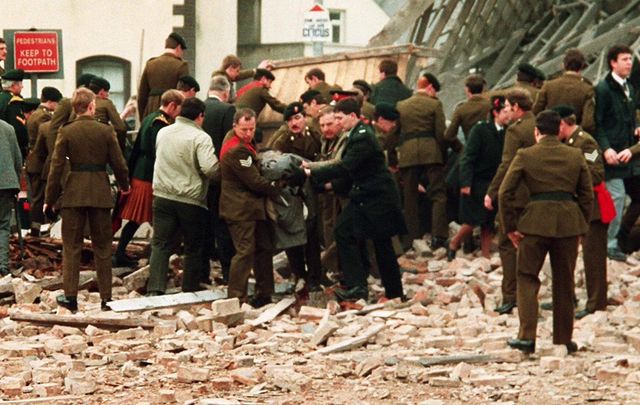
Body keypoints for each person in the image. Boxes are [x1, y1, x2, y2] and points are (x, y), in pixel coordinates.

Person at [499, 110, 592, 354]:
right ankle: (563, 338)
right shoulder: (576, 154)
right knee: (564, 282)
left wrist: (510, 226)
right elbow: (586, 193)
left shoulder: (525, 154)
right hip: (568, 223)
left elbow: (505, 192)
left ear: (536, 131)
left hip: (534, 223)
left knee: (528, 277)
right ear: (560, 128)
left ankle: (527, 336)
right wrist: (582, 223)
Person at [301, 98, 406, 301]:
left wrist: (309, 170)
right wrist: (328, 184)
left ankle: (367, 288)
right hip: (368, 196)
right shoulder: (357, 134)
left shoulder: (361, 137)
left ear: (352, 116)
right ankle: (369, 287)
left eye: (340, 118)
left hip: (376, 198)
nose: (338, 122)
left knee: (371, 240)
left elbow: (344, 166)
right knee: (354, 234)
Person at [44, 88, 130, 311]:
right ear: (91, 106)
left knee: (72, 246)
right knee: (103, 246)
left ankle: (70, 296)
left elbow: (56, 167)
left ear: (75, 107)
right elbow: (119, 163)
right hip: (100, 192)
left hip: (74, 193)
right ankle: (106, 297)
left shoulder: (67, 131)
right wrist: (124, 185)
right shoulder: (105, 131)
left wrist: (49, 199)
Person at [146, 98, 218, 295]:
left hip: (162, 196)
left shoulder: (163, 132)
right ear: (200, 116)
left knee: (160, 244)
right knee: (193, 246)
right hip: (190, 200)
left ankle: (155, 288)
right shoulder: (201, 138)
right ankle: (189, 288)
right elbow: (210, 168)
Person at [114, 90, 184, 267]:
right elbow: (159, 152)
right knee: (152, 217)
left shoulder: (149, 118)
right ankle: (160, 254)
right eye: (179, 110)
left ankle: (122, 253)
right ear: (172, 105)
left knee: (138, 219)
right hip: (149, 175)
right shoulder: (161, 123)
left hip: (140, 172)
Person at [219, 108, 281, 307]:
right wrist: (276, 190)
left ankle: (264, 292)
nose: (248, 133)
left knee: (263, 248)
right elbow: (254, 180)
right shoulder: (237, 149)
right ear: (235, 126)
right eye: (244, 129)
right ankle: (236, 296)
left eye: (252, 129)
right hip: (241, 208)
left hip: (250, 208)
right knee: (245, 251)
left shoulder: (239, 141)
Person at [554, 105, 608, 319]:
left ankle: (596, 302)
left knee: (593, 257)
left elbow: (597, 172)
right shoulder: (571, 142)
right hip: (581, 207)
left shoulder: (586, 141)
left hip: (594, 207)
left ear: (562, 123)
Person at [485, 88, 535, 315]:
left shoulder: (515, 131)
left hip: (517, 195)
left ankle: (511, 295)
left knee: (507, 242)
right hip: (540, 196)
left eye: (508, 107)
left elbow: (507, 165)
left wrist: (492, 191)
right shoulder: (540, 124)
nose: (507, 111)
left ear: (516, 107)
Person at [395, 72, 454, 250]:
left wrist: (391, 155)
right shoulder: (435, 104)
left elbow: (396, 133)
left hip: (408, 153)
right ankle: (439, 236)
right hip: (431, 152)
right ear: (429, 87)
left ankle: (410, 238)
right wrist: (442, 155)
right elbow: (440, 133)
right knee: (438, 194)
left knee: (409, 197)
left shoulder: (401, 105)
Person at [448, 96, 510, 260]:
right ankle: (454, 243)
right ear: (495, 113)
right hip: (477, 179)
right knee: (474, 218)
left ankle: (485, 254)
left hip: (493, 180)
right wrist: (466, 182)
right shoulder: (481, 130)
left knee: (488, 220)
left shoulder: (508, 132)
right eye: (505, 112)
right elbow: (468, 157)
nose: (508, 115)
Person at [594, 44, 640, 262]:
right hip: (613, 157)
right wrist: (606, 149)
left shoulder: (629, 88)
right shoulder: (603, 89)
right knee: (618, 196)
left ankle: (621, 238)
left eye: (630, 59)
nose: (629, 63)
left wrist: (636, 128)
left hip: (629, 156)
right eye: (624, 59)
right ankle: (610, 245)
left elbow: (630, 118)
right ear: (613, 62)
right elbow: (598, 123)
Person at [271, 102, 322, 291]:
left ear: (305, 118)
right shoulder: (282, 139)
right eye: (290, 119)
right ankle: (299, 274)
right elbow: (275, 162)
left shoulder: (315, 135)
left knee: (312, 232)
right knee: (292, 232)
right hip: (291, 192)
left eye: (298, 118)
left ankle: (315, 278)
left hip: (311, 188)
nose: (295, 122)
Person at [202, 75, 236, 284]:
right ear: (225, 92)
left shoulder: (199, 108)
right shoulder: (227, 110)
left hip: (199, 178)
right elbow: (228, 145)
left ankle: (201, 273)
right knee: (222, 227)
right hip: (219, 177)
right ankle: (227, 273)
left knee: (203, 228)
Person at [25, 86, 62, 237]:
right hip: (40, 163)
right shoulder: (44, 118)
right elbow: (47, 138)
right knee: (39, 197)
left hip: (34, 161)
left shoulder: (35, 114)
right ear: (51, 102)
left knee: (37, 197)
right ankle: (35, 229)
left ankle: (37, 228)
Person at [533, 49, 595, 134]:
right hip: (574, 138)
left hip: (551, 134)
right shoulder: (587, 89)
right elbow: (588, 123)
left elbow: (536, 111)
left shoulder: (549, 85)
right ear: (582, 66)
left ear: (563, 65)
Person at [137, 33, 189, 118]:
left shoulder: (150, 64)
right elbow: (185, 94)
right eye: (182, 50)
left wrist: (143, 117)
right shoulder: (181, 65)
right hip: (172, 111)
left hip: (151, 109)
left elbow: (142, 96)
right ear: (178, 47)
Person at [0, 119, 21, 276]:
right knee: (3, 225)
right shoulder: (8, 128)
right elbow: (17, 159)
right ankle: (2, 265)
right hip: (6, 183)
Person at [445, 74, 492, 141]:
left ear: (467, 89)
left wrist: (461, 148)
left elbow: (449, 135)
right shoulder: (491, 106)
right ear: (483, 89)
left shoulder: (461, 109)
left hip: (472, 148)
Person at [89, 77, 127, 151]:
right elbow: (120, 127)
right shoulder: (106, 103)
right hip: (100, 142)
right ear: (102, 91)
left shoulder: (82, 102)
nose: (108, 95)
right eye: (107, 92)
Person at [0, 69, 28, 158]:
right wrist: (24, 146)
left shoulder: (1, 98)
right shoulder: (13, 102)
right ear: (14, 85)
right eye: (20, 84)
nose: (22, 87)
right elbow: (18, 128)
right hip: (10, 148)